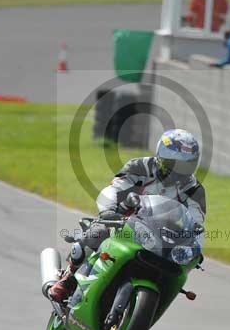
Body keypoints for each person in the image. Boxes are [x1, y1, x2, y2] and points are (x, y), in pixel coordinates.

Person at [48, 129, 206, 302]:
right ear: (160, 157)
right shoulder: (139, 167)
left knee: (177, 269)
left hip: (162, 236)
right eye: (172, 164)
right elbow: (114, 189)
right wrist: (108, 211)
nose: (178, 171)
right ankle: (68, 278)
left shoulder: (194, 189)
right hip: (125, 221)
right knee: (98, 231)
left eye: (185, 166)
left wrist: (196, 248)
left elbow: (197, 223)